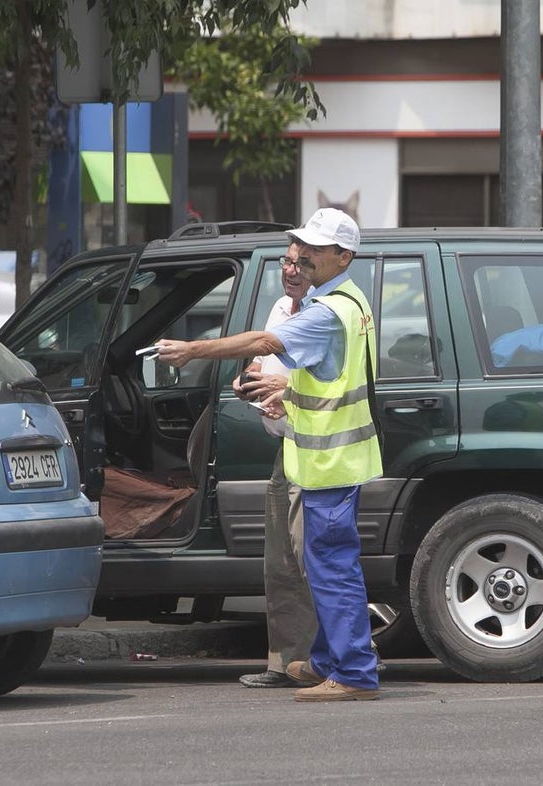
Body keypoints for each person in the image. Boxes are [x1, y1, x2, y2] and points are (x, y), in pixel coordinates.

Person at [156, 207, 382, 702]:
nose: (305, 257)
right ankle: (328, 661)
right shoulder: (347, 300)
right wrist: (290, 395)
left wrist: (191, 350)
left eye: (316, 250)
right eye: (301, 248)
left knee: (332, 570)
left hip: (329, 464)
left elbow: (263, 342)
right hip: (329, 460)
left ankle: (354, 673)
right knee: (324, 568)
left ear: (344, 256)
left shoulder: (327, 311)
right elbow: (327, 381)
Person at [235, 243, 318, 689]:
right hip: (286, 446)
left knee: (316, 560)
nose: (292, 270)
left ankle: (351, 656)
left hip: (316, 449)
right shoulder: (282, 308)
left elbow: (333, 378)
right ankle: (287, 662)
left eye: (302, 263)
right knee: (281, 561)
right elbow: (261, 359)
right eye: (288, 261)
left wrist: (285, 391)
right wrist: (250, 378)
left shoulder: (326, 313)